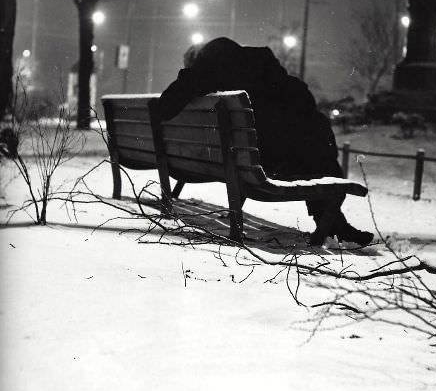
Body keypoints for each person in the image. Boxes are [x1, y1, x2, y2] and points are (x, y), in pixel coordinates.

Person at [159, 37, 373, 247]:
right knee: (312, 151)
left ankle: (335, 224)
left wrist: (191, 76)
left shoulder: (211, 65)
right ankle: (335, 223)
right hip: (281, 157)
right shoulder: (261, 66)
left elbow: (164, 107)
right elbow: (301, 103)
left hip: (259, 160)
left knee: (306, 150)